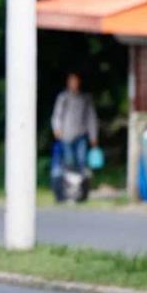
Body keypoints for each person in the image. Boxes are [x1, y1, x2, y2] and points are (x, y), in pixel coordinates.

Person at [50, 72, 99, 201]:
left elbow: (90, 118)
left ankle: (82, 192)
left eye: (75, 81)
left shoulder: (85, 98)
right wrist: (57, 129)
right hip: (66, 136)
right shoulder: (63, 97)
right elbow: (57, 115)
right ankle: (68, 191)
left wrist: (93, 136)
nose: (73, 84)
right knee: (69, 163)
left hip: (81, 135)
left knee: (82, 163)